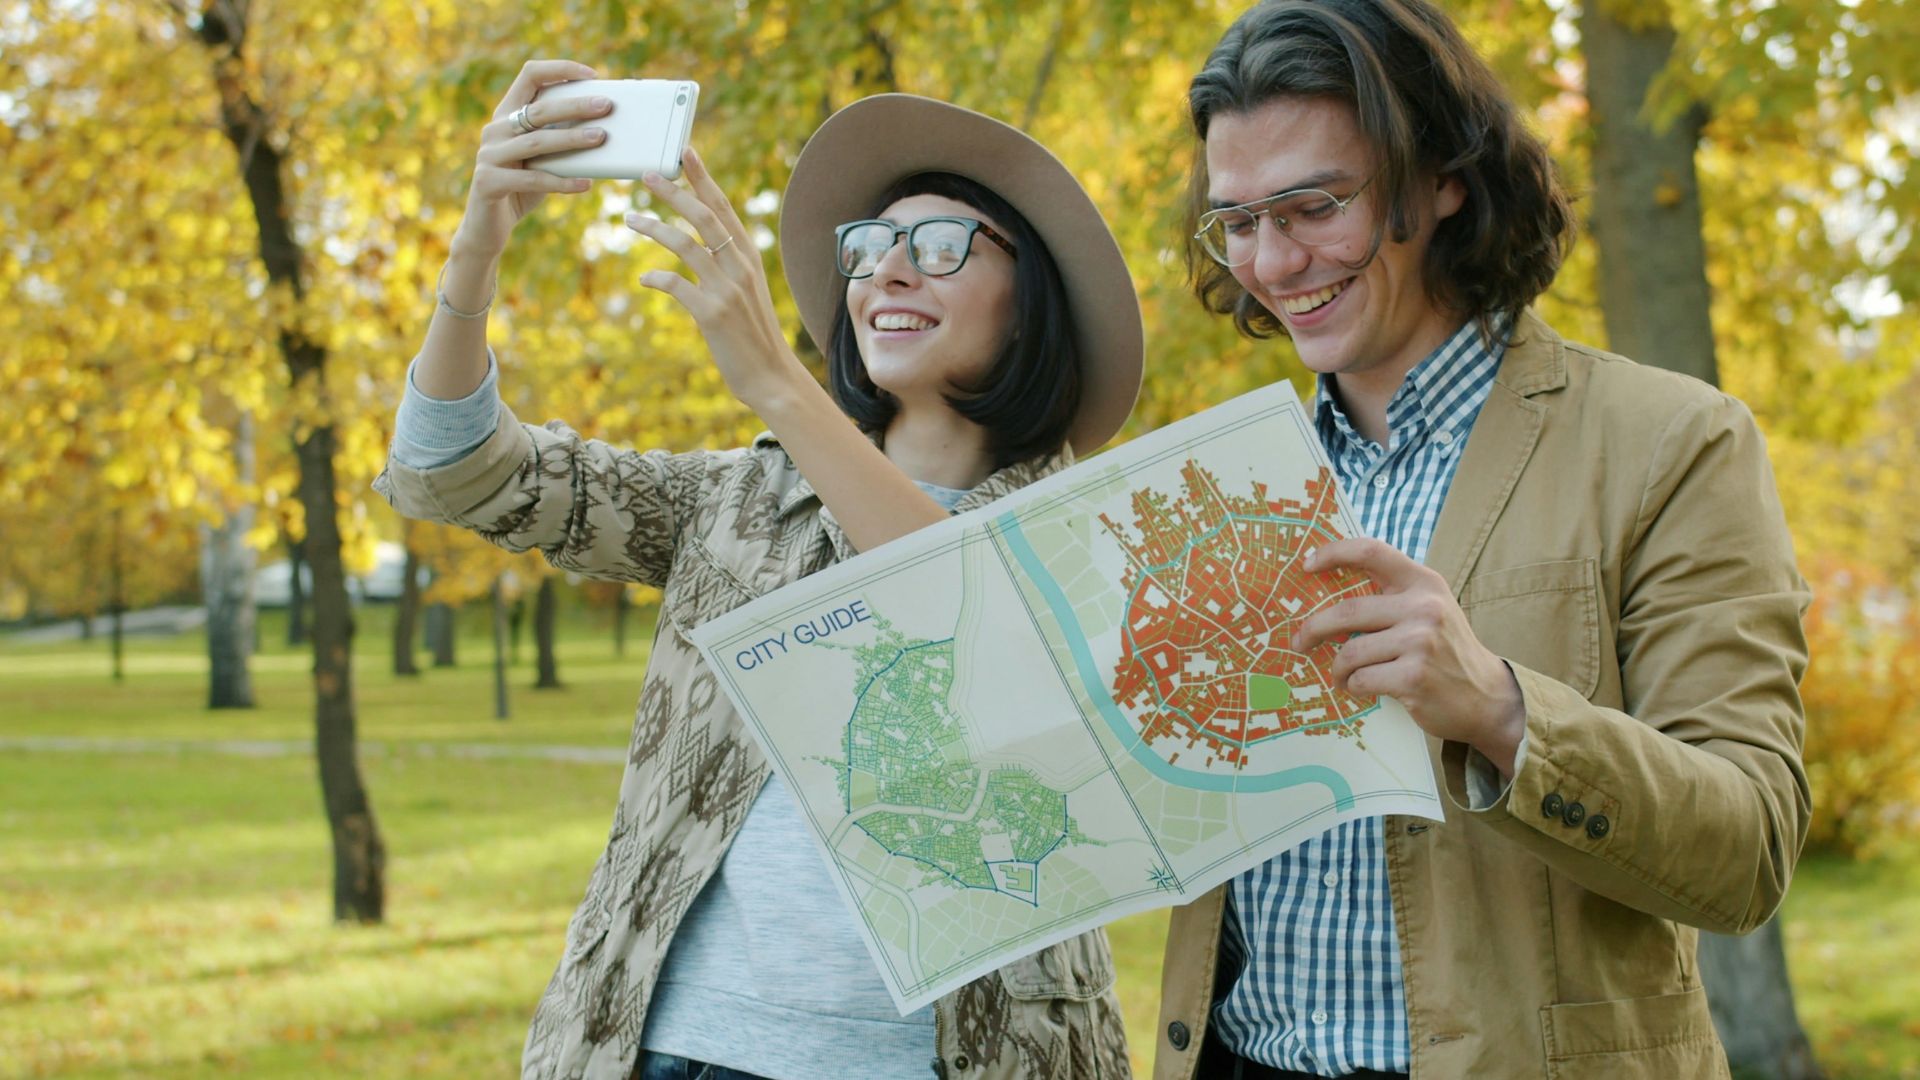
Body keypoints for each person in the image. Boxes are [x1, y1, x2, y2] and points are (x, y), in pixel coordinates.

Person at [373, 63, 1143, 1080]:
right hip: (672, 1047)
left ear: (1031, 297)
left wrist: (775, 378)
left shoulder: (1097, 537)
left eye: (943, 247)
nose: (889, 273)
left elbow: (976, 622)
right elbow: (448, 474)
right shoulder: (733, 502)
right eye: (870, 248)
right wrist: (479, 242)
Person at [1143, 2, 1812, 1078]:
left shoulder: (1672, 442)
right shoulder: (1217, 492)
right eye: (1238, 220)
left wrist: (1505, 712)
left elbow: (1750, 851)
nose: (1272, 261)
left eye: (1313, 205)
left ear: (1442, 178)